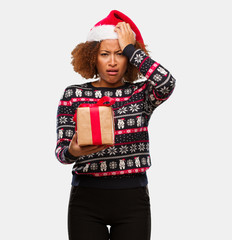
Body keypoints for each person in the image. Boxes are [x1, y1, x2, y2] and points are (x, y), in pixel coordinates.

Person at [55, 10, 176, 240]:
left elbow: (167, 82)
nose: (112, 62)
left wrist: (132, 49)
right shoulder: (74, 94)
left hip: (133, 201)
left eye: (119, 54)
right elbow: (61, 153)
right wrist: (73, 151)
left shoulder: (141, 93)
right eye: (104, 54)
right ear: (92, 57)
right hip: (86, 201)